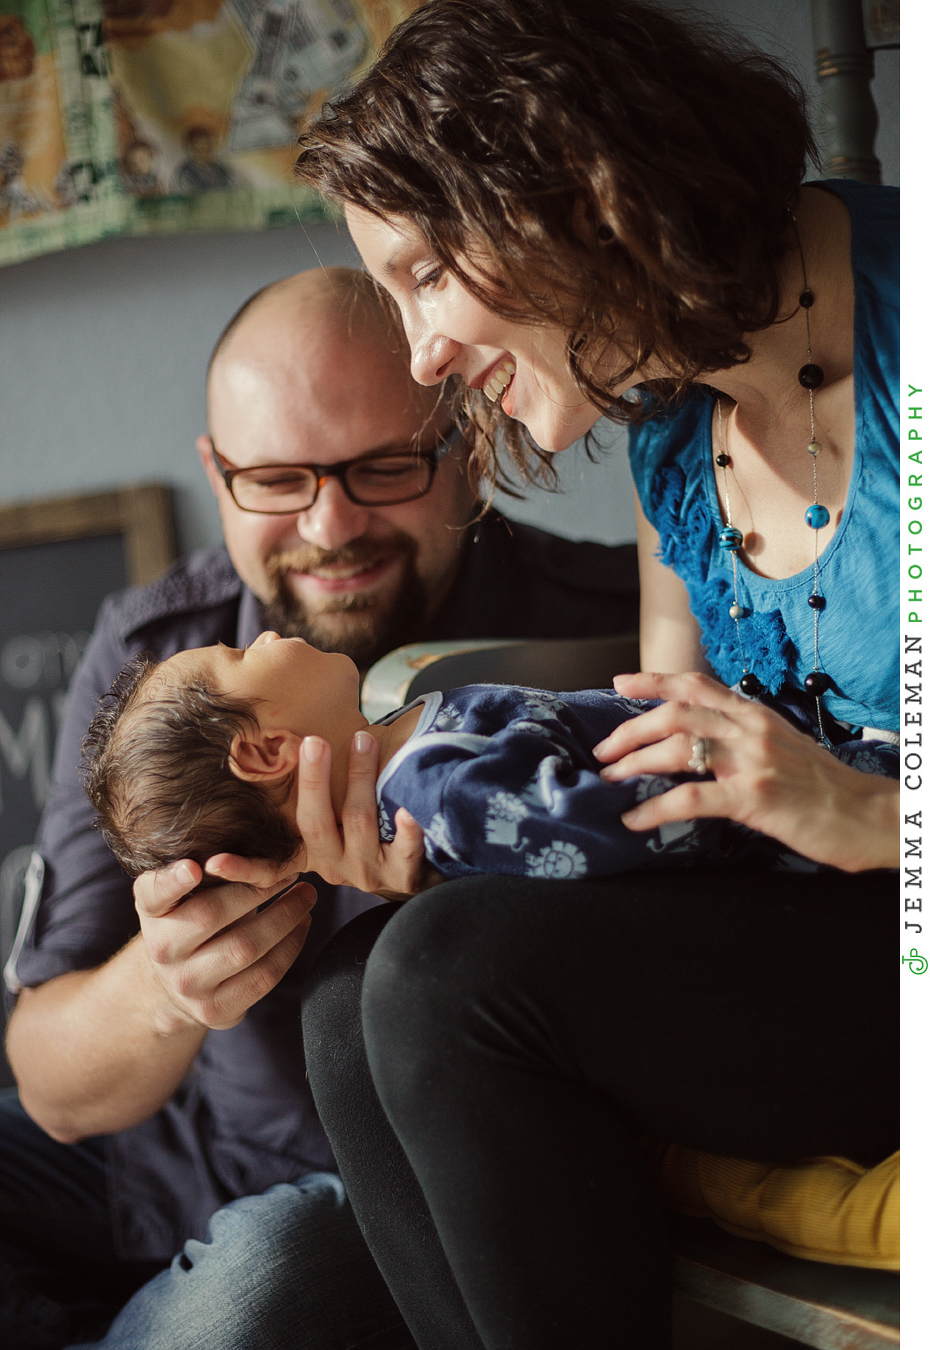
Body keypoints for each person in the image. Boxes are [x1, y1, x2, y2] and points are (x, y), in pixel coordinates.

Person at [291, 2, 900, 1346]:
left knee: (447, 976)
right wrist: (470, 819)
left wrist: (860, 813)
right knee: (352, 995)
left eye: (424, 273)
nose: (419, 356)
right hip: (813, 923)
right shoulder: (674, 433)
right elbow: (669, 772)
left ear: (563, 187)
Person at [2, 267, 640, 1349]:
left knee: (273, 1275)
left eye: (384, 467)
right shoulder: (162, 651)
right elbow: (56, 1086)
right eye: (279, 479)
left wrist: (457, 893)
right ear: (220, 474)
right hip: (142, 1158)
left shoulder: (607, 626)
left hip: (360, 1187)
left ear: (468, 450)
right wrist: (170, 984)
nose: (331, 524)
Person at [84, 635, 895, 888]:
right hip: (780, 832)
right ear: (264, 750)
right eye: (236, 654)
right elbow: (595, 830)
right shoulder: (437, 788)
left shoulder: (417, 732)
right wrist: (712, 769)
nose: (262, 634)